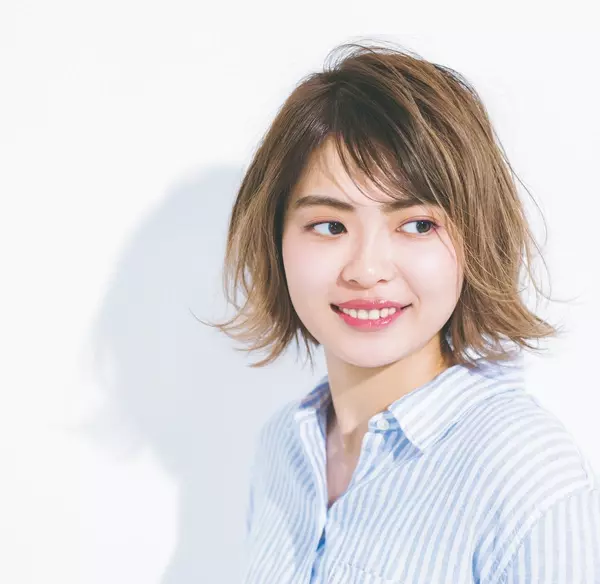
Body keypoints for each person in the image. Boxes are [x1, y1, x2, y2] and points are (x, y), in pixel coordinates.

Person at [208, 41, 600, 583]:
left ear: (476, 239)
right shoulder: (283, 447)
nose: (367, 270)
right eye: (330, 226)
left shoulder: (523, 467)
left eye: (417, 225)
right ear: (276, 241)